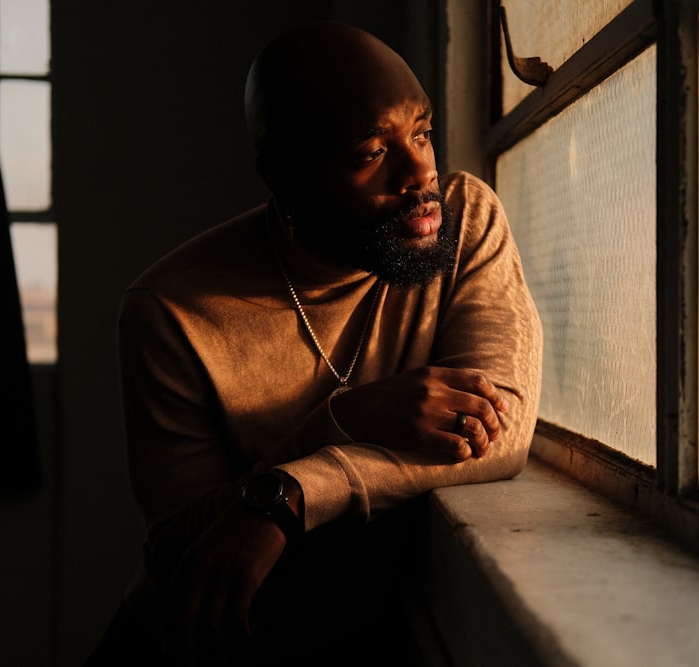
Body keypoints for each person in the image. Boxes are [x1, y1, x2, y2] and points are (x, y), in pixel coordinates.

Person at [93, 19, 543, 666]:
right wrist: (349, 418)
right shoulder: (171, 310)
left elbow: (497, 429)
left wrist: (291, 494)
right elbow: (184, 544)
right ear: (283, 177)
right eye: (369, 152)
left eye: (422, 131)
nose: (419, 173)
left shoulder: (465, 218)